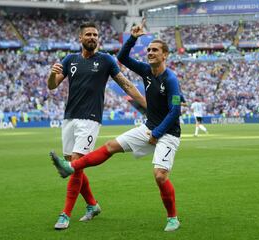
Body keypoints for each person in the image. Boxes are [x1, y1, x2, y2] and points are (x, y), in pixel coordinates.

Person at [51, 19, 182, 232]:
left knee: (159, 176)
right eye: (148, 49)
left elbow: (175, 110)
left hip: (167, 133)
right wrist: (132, 38)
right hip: (148, 127)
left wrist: (157, 132)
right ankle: (79, 182)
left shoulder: (172, 80)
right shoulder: (147, 71)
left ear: (165, 55)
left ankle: (173, 218)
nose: (149, 53)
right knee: (111, 146)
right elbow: (122, 57)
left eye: (155, 50)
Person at [47, 22, 146, 230]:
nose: (93, 37)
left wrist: (147, 105)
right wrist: (51, 73)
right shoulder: (70, 60)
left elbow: (126, 85)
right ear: (80, 38)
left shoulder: (106, 60)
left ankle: (65, 214)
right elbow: (53, 85)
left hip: (90, 119)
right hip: (70, 118)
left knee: (74, 164)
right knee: (74, 166)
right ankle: (92, 205)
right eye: (88, 34)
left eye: (95, 34)